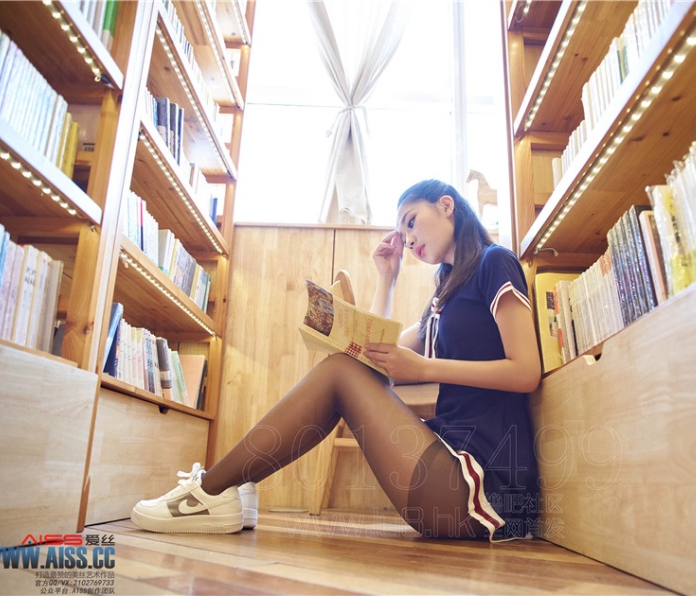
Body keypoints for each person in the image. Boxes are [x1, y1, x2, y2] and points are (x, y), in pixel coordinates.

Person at [131, 179, 542, 540]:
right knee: (346, 366)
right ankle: (231, 486)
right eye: (402, 231)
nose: (409, 239)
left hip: (485, 486)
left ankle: (212, 490)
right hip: (451, 463)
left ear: (446, 205)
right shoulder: (446, 292)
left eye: (411, 221)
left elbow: (526, 372)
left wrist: (425, 368)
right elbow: (377, 357)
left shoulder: (494, 262)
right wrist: (388, 276)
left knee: (341, 372)